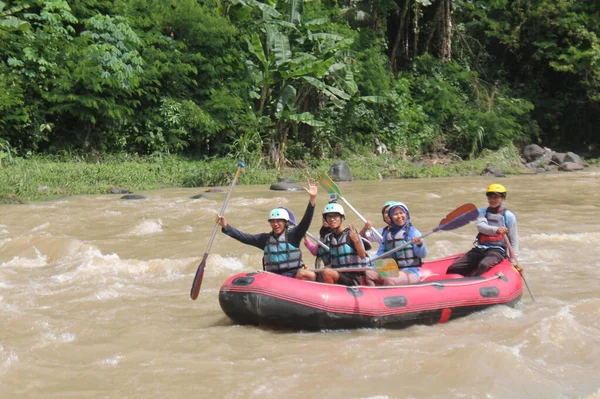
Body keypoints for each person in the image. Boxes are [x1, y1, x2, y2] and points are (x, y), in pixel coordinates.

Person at [216, 179, 318, 278]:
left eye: (279, 221)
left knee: (309, 275)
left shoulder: (294, 235)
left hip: (293, 276)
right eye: (273, 221)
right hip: (273, 278)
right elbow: (244, 237)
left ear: (285, 223)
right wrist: (226, 226)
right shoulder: (264, 239)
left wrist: (312, 199)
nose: (275, 224)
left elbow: (306, 221)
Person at [446, 183, 518, 276]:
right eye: (490, 198)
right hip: (480, 248)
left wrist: (514, 262)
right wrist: (496, 229)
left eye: (496, 197)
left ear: (502, 198)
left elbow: (514, 241)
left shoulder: (509, 216)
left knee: (484, 264)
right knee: (454, 267)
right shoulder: (482, 212)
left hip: (497, 251)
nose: (492, 200)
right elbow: (481, 227)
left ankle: (472, 281)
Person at [296, 203, 368, 285]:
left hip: (352, 277)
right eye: (329, 217)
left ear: (342, 218)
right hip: (336, 274)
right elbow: (320, 255)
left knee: (327, 272)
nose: (332, 219)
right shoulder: (328, 238)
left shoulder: (351, 234)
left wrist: (356, 241)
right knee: (302, 273)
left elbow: (362, 256)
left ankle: (331, 294)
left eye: (335, 216)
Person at [364, 202, 427, 286]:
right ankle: (373, 295)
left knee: (390, 280)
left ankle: (387, 297)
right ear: (391, 217)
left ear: (406, 214)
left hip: (410, 271)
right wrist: (367, 262)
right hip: (391, 268)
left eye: (401, 213)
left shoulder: (413, 232)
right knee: (368, 273)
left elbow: (422, 254)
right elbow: (380, 254)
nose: (399, 216)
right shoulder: (387, 233)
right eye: (395, 214)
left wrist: (420, 244)